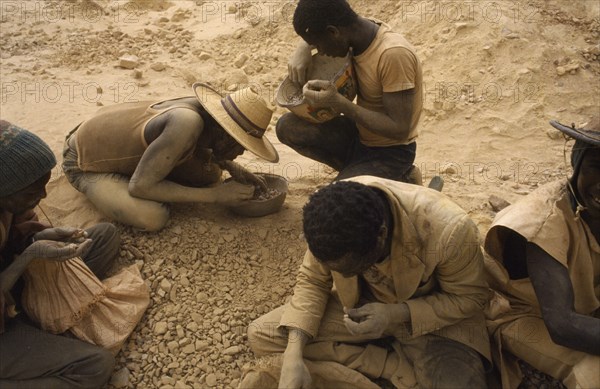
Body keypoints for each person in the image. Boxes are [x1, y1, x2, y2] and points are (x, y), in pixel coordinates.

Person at [248, 176, 491, 388]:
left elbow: (470, 298)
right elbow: (313, 281)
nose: (340, 276)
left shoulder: (451, 231)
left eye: (351, 269)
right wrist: (293, 355)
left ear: (381, 235)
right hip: (358, 310)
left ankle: (399, 351)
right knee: (264, 335)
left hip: (428, 319)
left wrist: (395, 314)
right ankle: (391, 367)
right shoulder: (331, 217)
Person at [63, 83, 279, 231]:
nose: (241, 153)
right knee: (153, 217)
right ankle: (106, 181)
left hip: (109, 140)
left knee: (210, 173)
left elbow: (206, 147)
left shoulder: (202, 115)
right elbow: (140, 187)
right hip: (84, 161)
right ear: (224, 132)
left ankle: (148, 170)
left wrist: (230, 165)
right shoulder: (186, 122)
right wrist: (215, 195)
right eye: (240, 145)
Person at [0, 120, 120, 388]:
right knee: (94, 367)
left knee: (103, 236)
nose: (43, 195)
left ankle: (39, 320)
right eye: (31, 192)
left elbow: (21, 232)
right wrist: (29, 256)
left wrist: (42, 236)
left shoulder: (7, 199)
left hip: (12, 292)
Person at [483, 117, 600, 388]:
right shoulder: (543, 221)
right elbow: (563, 325)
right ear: (576, 162)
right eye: (596, 167)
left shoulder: (591, 209)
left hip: (584, 305)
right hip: (522, 315)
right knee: (592, 370)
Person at [276, 0, 423, 183]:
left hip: (391, 152)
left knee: (335, 205)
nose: (319, 51)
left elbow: (400, 129)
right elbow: (324, 17)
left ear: (333, 32)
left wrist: (338, 103)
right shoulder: (356, 30)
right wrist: (303, 48)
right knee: (287, 126)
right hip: (360, 136)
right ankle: (356, 174)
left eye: (317, 45)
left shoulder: (393, 54)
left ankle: (397, 178)